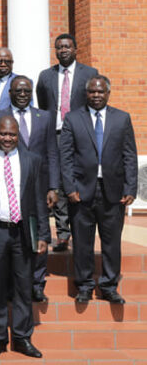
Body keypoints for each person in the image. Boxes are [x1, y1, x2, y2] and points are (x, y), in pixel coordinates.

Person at [0, 116, 48, 358]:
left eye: (12, 135)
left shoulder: (32, 161)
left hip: (23, 233)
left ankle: (23, 338)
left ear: (18, 136)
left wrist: (43, 234)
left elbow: (39, 201)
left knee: (24, 287)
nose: (7, 138)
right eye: (3, 134)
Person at [60, 76, 137, 305]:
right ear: (86, 93)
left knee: (111, 242)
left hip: (113, 192)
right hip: (81, 192)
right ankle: (84, 286)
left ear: (108, 93)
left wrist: (130, 187)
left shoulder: (122, 119)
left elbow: (129, 156)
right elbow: (65, 157)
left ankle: (109, 286)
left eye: (100, 92)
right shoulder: (73, 119)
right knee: (82, 242)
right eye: (92, 91)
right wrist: (69, 187)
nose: (96, 95)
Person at [0, 76, 60, 302]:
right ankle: (10, 283)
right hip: (8, 184)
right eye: (17, 91)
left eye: (26, 91)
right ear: (10, 93)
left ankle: (37, 283)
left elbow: (52, 152)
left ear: (32, 93)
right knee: (12, 237)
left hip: (38, 185)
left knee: (38, 233)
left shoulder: (45, 117)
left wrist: (54, 186)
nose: (22, 94)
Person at [36, 33, 99, 253]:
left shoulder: (89, 73)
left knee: (77, 177)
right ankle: (62, 234)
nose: (63, 50)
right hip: (55, 134)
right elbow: (43, 105)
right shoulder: (45, 76)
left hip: (81, 134)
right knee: (59, 181)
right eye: (59, 47)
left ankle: (80, 229)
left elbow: (94, 101)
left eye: (67, 47)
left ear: (75, 49)